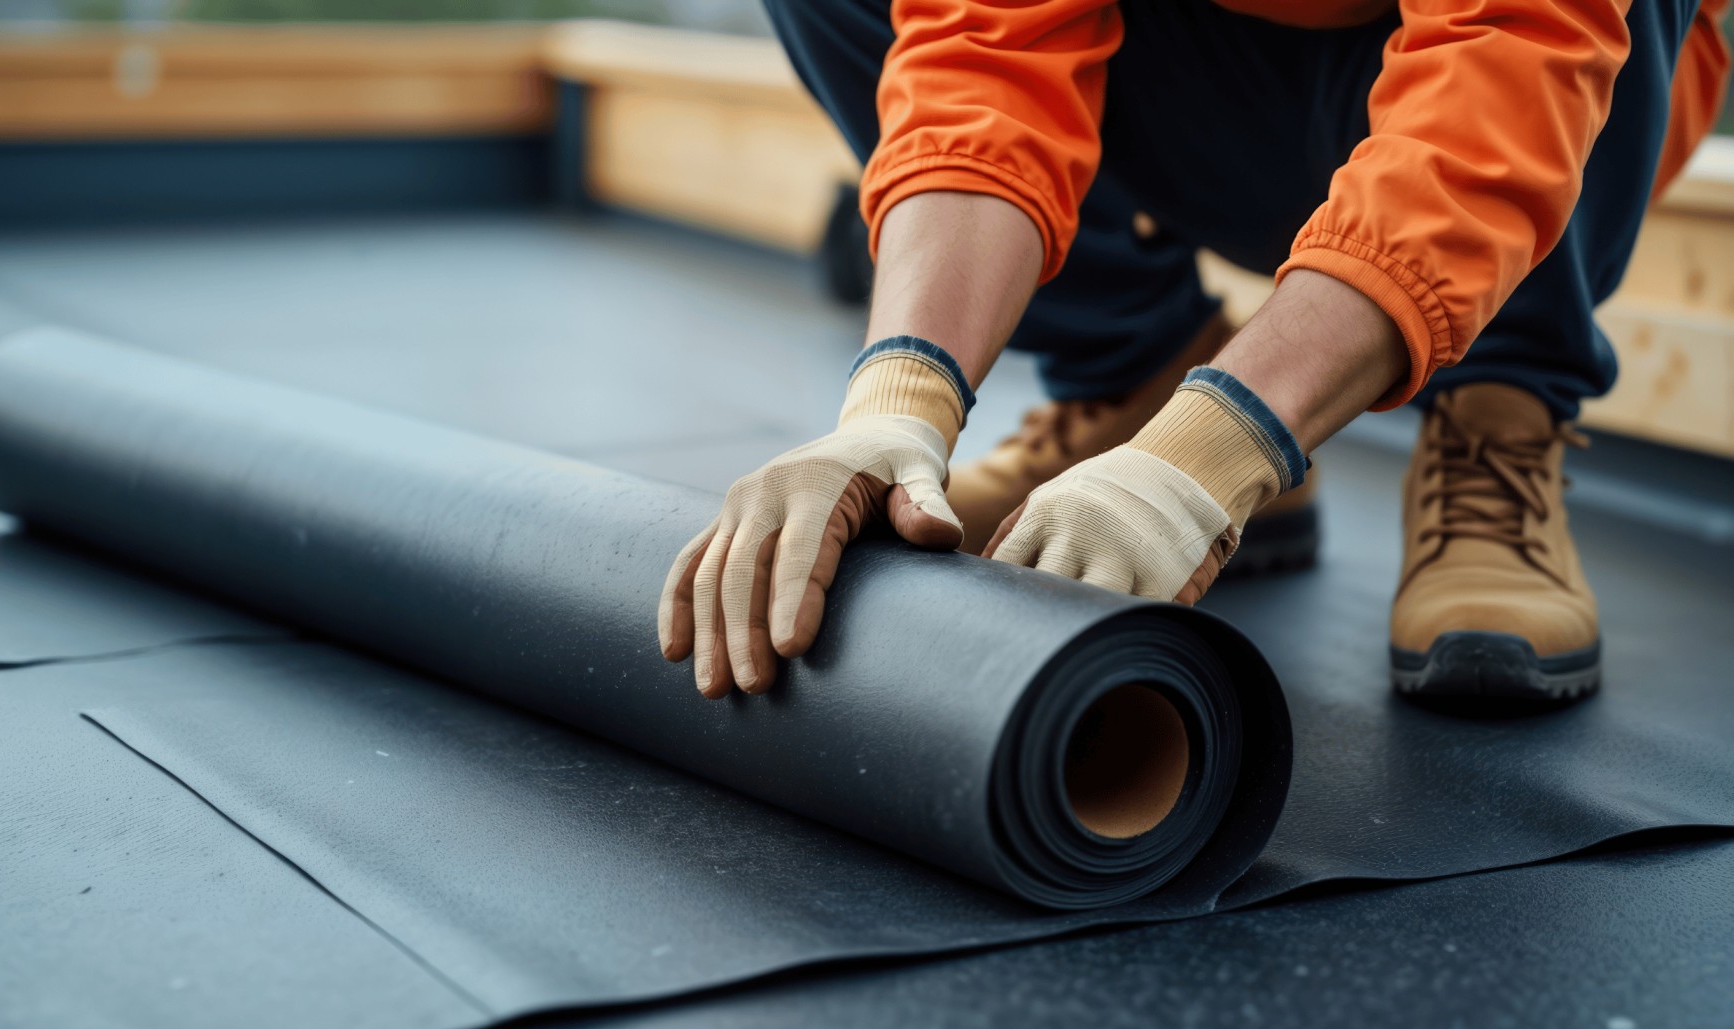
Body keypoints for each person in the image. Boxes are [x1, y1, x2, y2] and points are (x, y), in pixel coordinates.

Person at [657, 0, 1729, 704]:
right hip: (1222, 88)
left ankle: (1499, 418)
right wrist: (898, 397)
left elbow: (1508, 59)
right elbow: (986, 51)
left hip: (1532, 88)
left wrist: (1217, 452)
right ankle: (1136, 379)